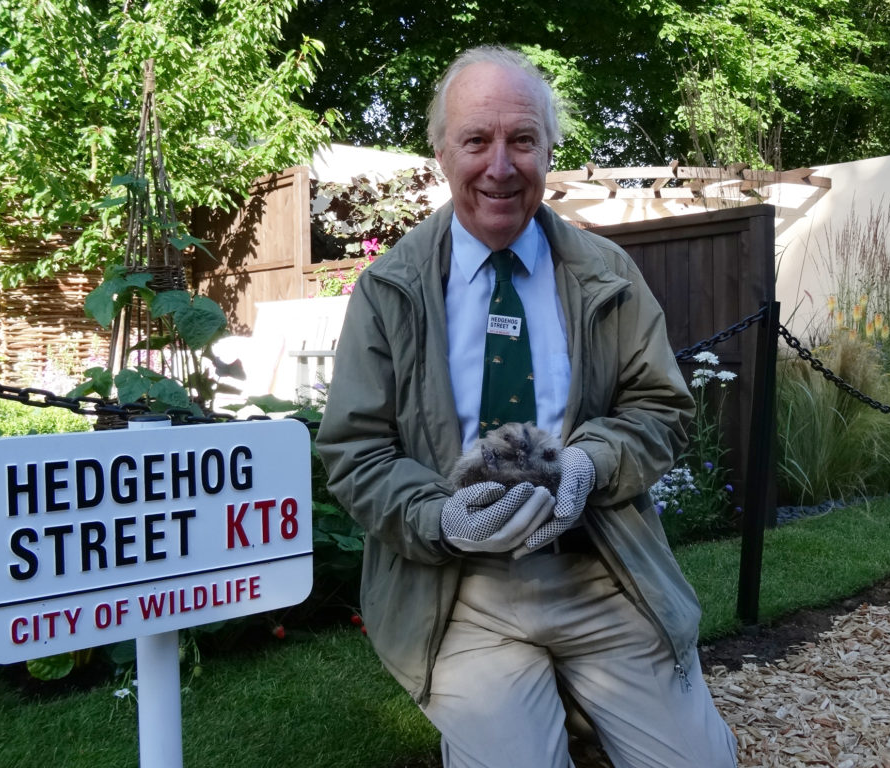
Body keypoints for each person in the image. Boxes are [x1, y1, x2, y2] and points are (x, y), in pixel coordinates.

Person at [315, 45, 738, 768]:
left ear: (549, 149)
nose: (500, 167)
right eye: (477, 140)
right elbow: (355, 451)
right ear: (442, 153)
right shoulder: (390, 290)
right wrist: (439, 517)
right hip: (460, 592)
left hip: (599, 572)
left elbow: (662, 407)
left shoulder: (608, 276)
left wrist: (590, 463)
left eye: (522, 140)